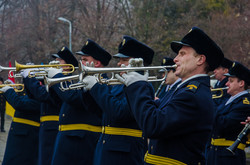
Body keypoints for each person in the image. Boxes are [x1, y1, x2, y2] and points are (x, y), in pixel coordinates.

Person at [116, 27, 224, 164]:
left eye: (182, 54)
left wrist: (138, 86)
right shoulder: (182, 90)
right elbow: (153, 112)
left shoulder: (192, 94)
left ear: (200, 60)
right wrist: (134, 86)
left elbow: (153, 125)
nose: (175, 59)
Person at [81, 35, 154, 165]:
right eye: (119, 60)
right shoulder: (119, 85)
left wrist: (96, 87)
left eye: (124, 60)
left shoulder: (143, 87)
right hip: (106, 149)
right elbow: (100, 111)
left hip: (124, 154)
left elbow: (120, 112)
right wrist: (88, 90)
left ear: (138, 62)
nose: (119, 64)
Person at [47, 39, 111, 165]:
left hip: (81, 141)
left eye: (85, 59)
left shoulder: (100, 81)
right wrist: (52, 83)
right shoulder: (83, 79)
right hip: (69, 138)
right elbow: (61, 102)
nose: (81, 62)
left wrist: (57, 78)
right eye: (81, 59)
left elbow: (74, 98)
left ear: (97, 63)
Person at [21, 46, 77, 165]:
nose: (56, 63)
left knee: (47, 159)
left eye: (59, 61)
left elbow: (44, 95)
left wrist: (30, 78)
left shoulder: (67, 82)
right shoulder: (56, 80)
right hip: (47, 126)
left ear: (67, 66)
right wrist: (28, 78)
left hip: (53, 126)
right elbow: (35, 96)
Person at [206, 61, 250, 165]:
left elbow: (222, 125)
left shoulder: (245, 104)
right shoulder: (228, 100)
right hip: (214, 153)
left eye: (230, 80)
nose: (226, 83)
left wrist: (208, 101)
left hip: (229, 157)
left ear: (241, 83)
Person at [0, 85, 41, 165]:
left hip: (25, 137)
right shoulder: (31, 93)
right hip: (20, 135)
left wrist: (9, 91)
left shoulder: (41, 95)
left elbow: (19, 104)